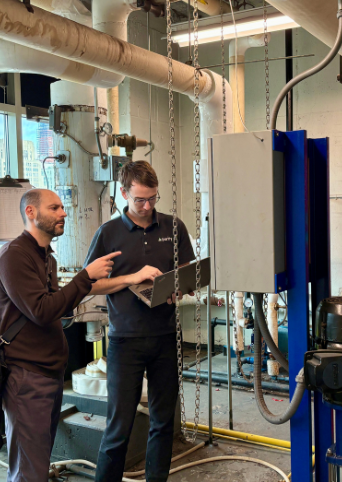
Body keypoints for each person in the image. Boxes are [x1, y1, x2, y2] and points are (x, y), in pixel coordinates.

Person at [0, 188, 123, 482]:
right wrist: (85, 276)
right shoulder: (14, 256)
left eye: (63, 207)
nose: (63, 213)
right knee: (29, 469)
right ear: (31, 213)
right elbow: (41, 310)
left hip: (48, 373)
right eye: (54, 208)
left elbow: (59, 303)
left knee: (38, 459)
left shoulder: (45, 257)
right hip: (27, 376)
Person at [87, 161, 196, 482]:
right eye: (139, 200)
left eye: (152, 199)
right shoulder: (108, 233)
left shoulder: (174, 227)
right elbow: (89, 284)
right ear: (123, 193)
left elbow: (190, 272)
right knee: (118, 427)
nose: (147, 207)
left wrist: (181, 287)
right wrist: (133, 277)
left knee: (163, 423)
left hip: (166, 336)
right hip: (125, 341)